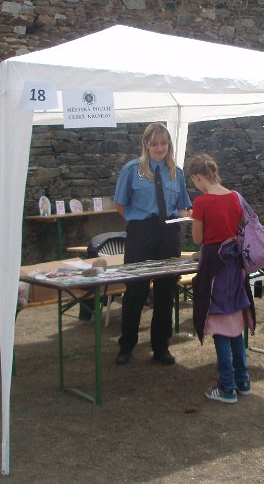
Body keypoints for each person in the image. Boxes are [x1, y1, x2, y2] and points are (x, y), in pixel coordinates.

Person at [113, 123, 192, 366]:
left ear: (169, 145)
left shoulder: (175, 173)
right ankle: (127, 345)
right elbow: (120, 203)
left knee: (165, 291)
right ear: (146, 144)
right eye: (155, 143)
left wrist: (187, 216)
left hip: (168, 233)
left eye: (164, 143)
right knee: (135, 289)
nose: (160, 148)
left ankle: (161, 346)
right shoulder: (133, 170)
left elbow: (183, 205)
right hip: (141, 232)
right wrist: (140, 222)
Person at [188, 154, 255, 404]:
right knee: (235, 329)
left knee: (219, 331)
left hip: (215, 270)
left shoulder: (202, 202)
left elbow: (197, 239)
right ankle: (243, 381)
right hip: (235, 268)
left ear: (197, 177)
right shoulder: (235, 197)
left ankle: (227, 388)